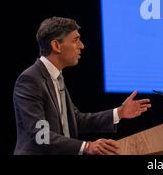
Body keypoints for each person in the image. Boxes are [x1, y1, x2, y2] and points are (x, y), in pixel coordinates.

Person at [13, 17, 151, 155]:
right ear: (56, 46)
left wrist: (119, 112)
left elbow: (75, 120)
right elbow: (41, 136)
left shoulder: (56, 77)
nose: (81, 45)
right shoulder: (30, 80)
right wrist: (87, 146)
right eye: (75, 40)